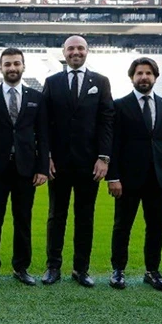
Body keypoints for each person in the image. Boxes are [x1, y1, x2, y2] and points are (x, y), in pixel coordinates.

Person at [41, 35, 114, 287]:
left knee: (85, 216)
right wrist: (47, 156)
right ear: (64, 52)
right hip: (58, 163)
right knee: (56, 215)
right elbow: (45, 123)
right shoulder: (52, 82)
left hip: (89, 163)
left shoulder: (101, 82)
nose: (75, 52)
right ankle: (53, 267)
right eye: (71, 48)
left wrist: (104, 158)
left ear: (87, 51)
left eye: (80, 48)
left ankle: (81, 269)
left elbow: (106, 121)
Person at [0, 48, 49, 285]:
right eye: (7, 64)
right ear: (1, 68)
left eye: (16, 63)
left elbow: (43, 136)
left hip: (26, 170)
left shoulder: (36, 98)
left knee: (23, 220)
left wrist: (42, 168)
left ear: (23, 66)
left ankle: (21, 267)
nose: (12, 68)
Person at [106, 57, 162, 292]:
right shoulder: (119, 106)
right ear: (132, 77)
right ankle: (118, 270)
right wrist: (113, 177)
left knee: (156, 227)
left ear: (155, 77)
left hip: (159, 179)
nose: (144, 77)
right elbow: (113, 144)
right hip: (127, 179)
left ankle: (153, 271)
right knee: (122, 226)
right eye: (139, 73)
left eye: (148, 73)